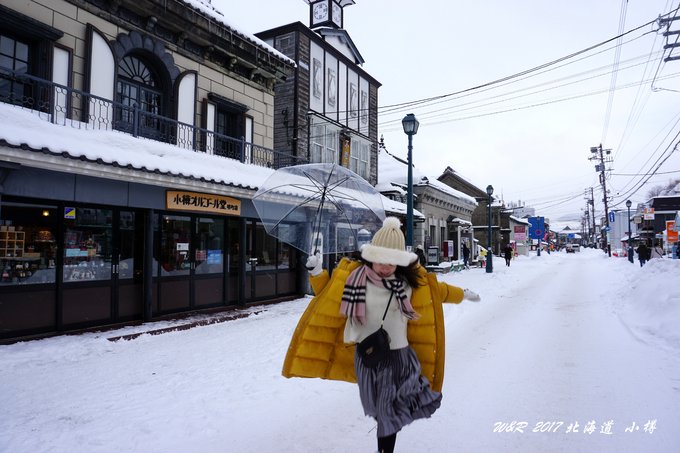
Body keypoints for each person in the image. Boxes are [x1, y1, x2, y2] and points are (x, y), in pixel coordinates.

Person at [282, 217, 481, 453]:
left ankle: (385, 447)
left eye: (392, 261)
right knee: (377, 408)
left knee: (387, 413)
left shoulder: (409, 283)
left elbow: (440, 292)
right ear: (370, 256)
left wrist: (464, 294)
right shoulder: (353, 279)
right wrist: (316, 272)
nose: (386, 266)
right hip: (365, 356)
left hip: (398, 358)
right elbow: (327, 296)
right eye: (380, 260)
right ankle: (391, 423)